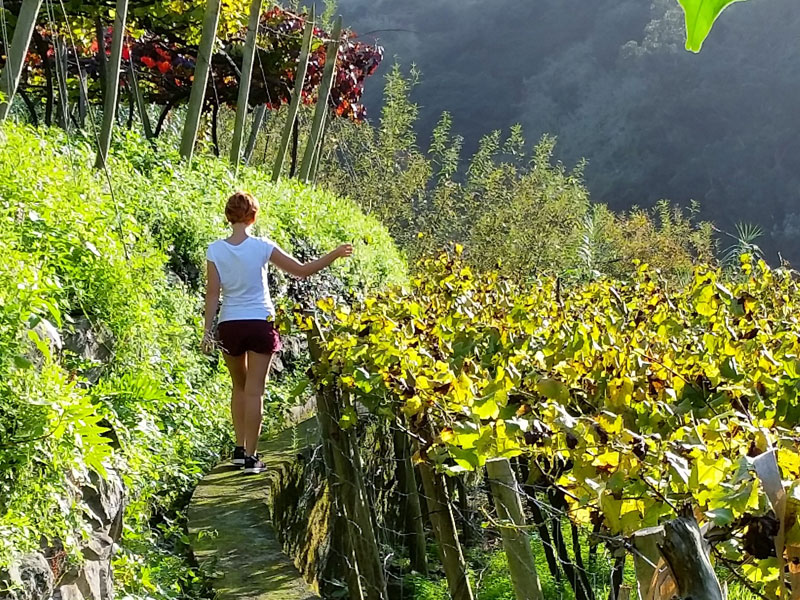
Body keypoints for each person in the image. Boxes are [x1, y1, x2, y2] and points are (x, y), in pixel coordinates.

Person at [202, 191, 352, 474]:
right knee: (255, 391)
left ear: (228, 216)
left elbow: (212, 295)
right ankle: (251, 456)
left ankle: (238, 450)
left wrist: (207, 331)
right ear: (253, 216)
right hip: (260, 322)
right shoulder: (261, 246)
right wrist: (333, 254)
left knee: (239, 387)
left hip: (229, 324)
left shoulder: (215, 250)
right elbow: (302, 271)